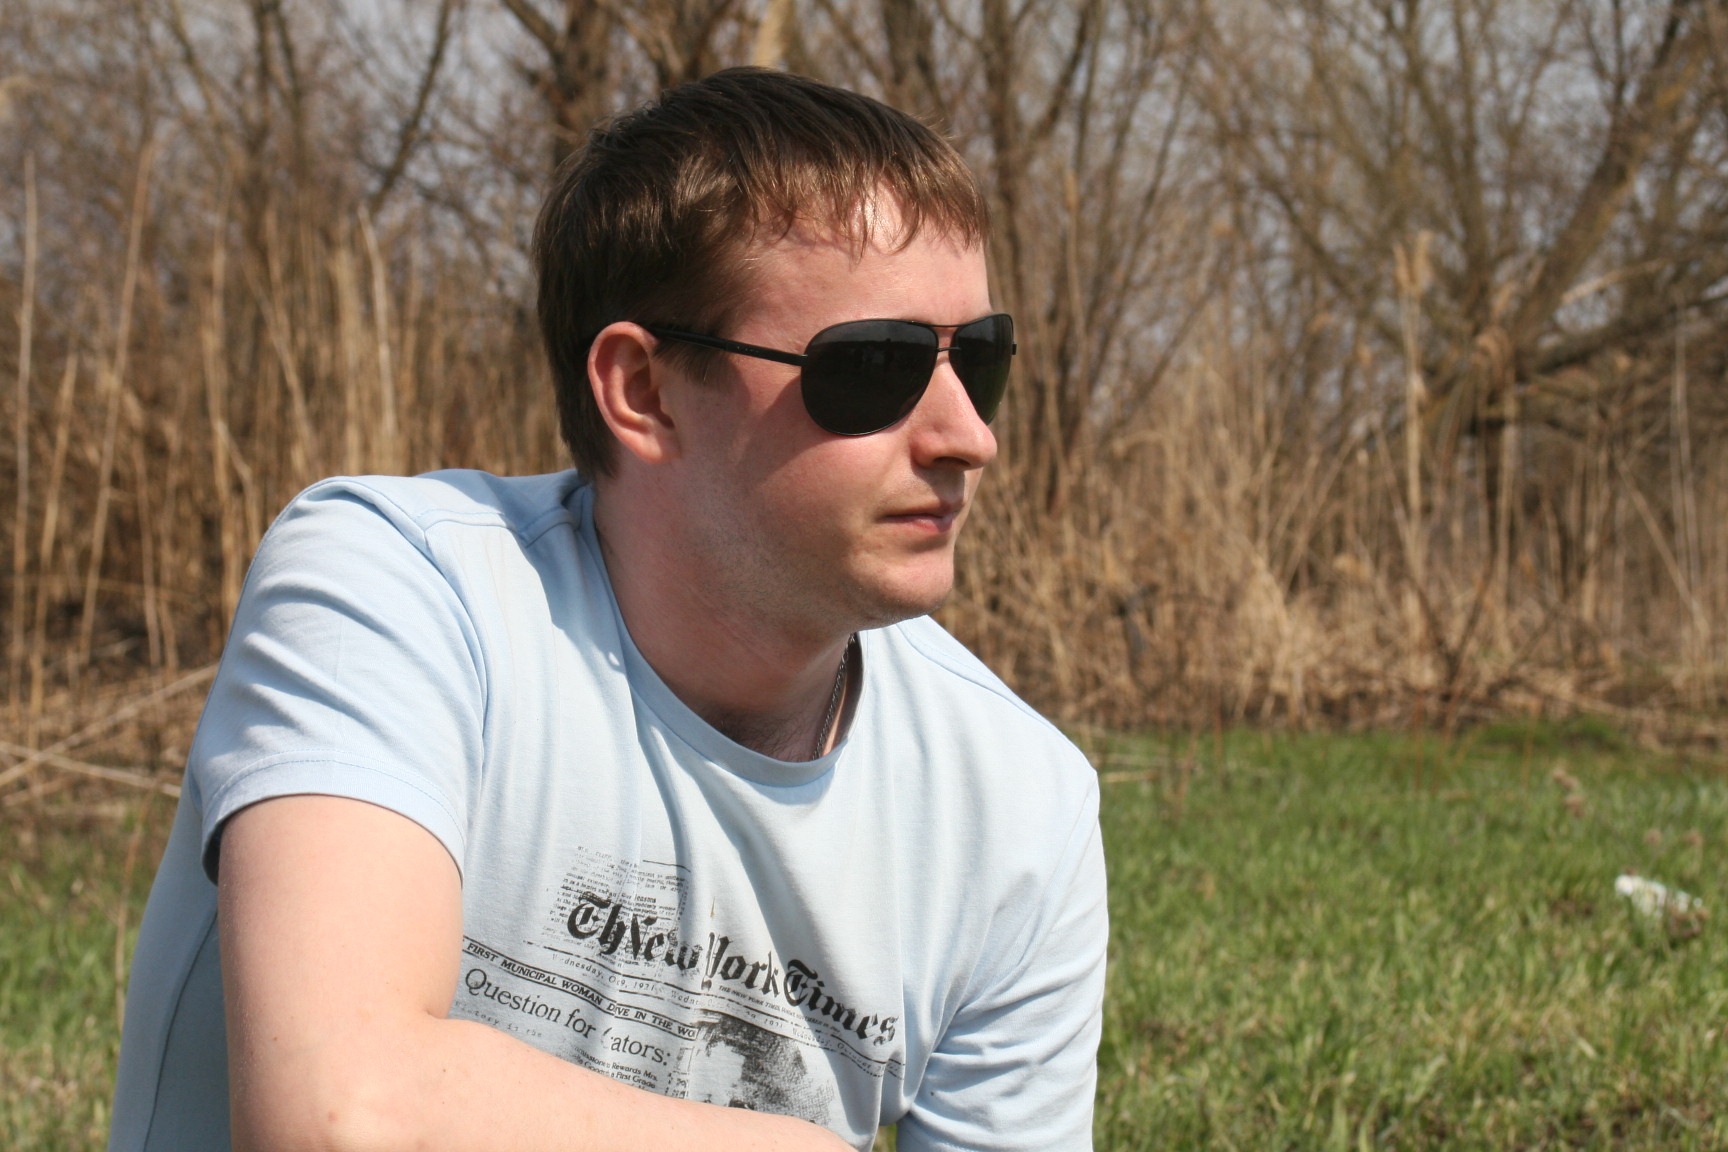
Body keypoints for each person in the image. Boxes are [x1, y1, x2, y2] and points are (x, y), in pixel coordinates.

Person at [110, 68, 1107, 1152]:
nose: (969, 436)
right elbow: (340, 1111)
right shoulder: (394, 589)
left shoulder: (1021, 809)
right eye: (877, 366)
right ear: (643, 391)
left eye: (981, 360)